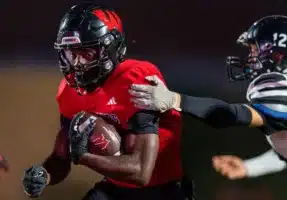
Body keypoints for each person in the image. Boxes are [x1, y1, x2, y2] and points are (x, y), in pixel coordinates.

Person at [21, 3, 195, 200]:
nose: (77, 64)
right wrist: (44, 175)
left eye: (86, 53)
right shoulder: (69, 91)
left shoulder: (136, 78)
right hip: (114, 188)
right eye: (71, 54)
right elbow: (62, 157)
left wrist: (85, 157)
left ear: (111, 49)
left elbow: (140, 172)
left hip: (163, 191)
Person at [128, 15, 287, 180]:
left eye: (254, 50)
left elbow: (230, 115)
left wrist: (176, 100)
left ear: (277, 54)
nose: (250, 58)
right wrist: (250, 167)